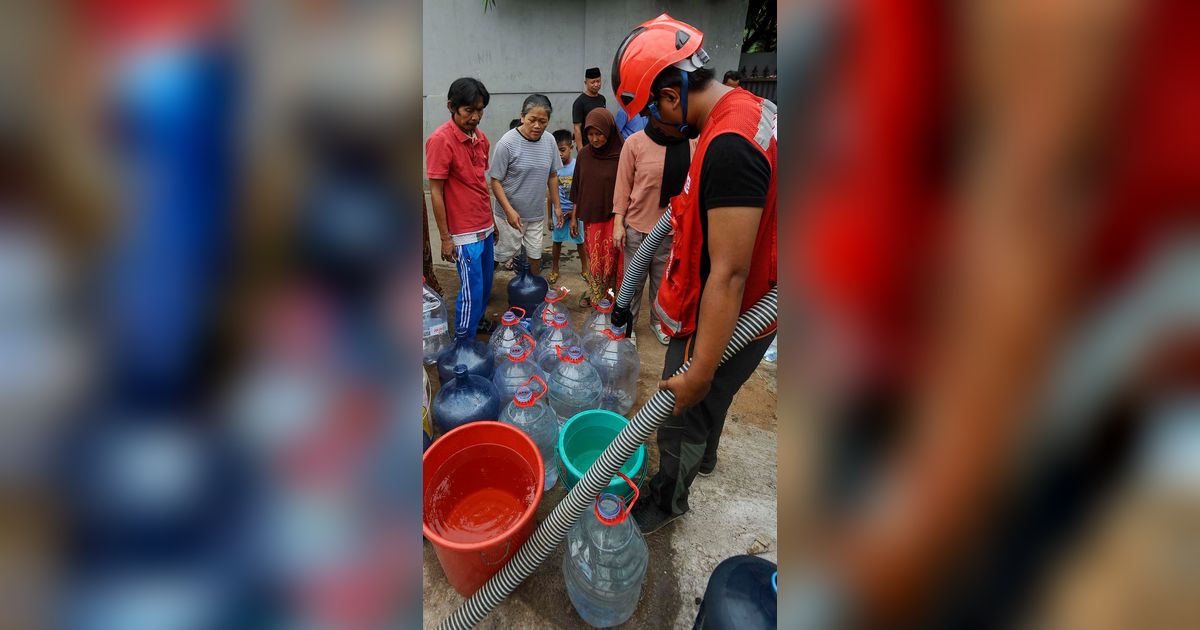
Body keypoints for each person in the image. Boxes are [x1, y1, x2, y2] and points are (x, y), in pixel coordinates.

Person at [610, 15, 776, 534]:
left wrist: (699, 368)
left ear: (670, 94)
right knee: (711, 402)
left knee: (682, 413)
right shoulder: (748, 107)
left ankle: (666, 501)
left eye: (652, 114)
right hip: (749, 302)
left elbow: (727, 273)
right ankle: (703, 459)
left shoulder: (727, 146)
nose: (654, 127)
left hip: (727, 313)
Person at [612, 115, 695, 345]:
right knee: (633, 282)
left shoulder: (690, 143)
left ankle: (658, 322)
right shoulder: (635, 143)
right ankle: (628, 325)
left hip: (671, 230)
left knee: (663, 282)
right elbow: (623, 185)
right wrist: (618, 223)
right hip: (637, 227)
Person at [425, 77, 498, 337]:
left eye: (480, 110)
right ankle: (464, 345)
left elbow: (481, 183)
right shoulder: (440, 140)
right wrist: (446, 238)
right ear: (451, 106)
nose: (476, 117)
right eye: (469, 110)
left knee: (485, 285)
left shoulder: (481, 138)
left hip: (485, 226)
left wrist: (493, 222)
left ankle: (477, 323)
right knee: (471, 291)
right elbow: (436, 192)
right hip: (464, 234)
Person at [488, 94, 563, 276]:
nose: (537, 126)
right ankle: (484, 289)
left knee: (534, 255)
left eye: (543, 121)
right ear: (522, 117)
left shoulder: (549, 141)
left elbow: (552, 175)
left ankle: (534, 292)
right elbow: (495, 180)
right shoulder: (507, 143)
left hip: (535, 214)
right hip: (508, 216)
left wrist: (557, 207)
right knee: (499, 256)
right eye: (532, 120)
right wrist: (508, 211)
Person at [569, 108, 624, 308]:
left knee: (613, 259)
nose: (595, 139)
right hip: (592, 219)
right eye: (590, 135)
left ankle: (614, 299)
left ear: (609, 131)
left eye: (599, 134)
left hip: (614, 218)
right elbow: (577, 187)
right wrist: (574, 217)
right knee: (595, 260)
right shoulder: (584, 155)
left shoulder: (622, 155)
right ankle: (596, 297)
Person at [548, 129, 588, 285]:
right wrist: (550, 217)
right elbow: (550, 194)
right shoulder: (554, 168)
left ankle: (585, 268)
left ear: (571, 147)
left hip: (576, 211)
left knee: (580, 241)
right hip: (559, 212)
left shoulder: (577, 166)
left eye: (563, 150)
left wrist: (575, 214)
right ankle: (555, 268)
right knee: (556, 241)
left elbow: (582, 192)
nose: (560, 154)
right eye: (556, 151)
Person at [572, 67, 606, 155]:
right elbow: (577, 127)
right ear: (586, 83)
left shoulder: (602, 99)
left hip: (602, 144)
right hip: (587, 145)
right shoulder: (579, 102)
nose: (596, 84)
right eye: (593, 82)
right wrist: (580, 149)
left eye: (598, 81)